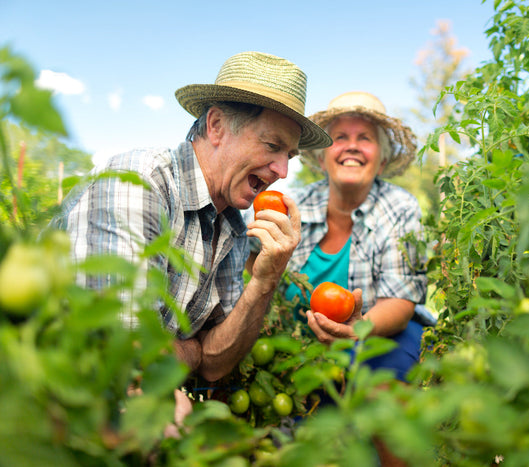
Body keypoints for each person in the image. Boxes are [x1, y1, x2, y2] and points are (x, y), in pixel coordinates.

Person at [52, 51, 332, 387]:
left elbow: (217, 364)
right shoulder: (138, 184)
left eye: (288, 155)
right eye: (272, 145)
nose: (283, 171)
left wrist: (265, 280)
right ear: (216, 126)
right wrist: (192, 352)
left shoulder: (232, 226)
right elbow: (119, 354)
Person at [273, 91, 433, 382]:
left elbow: (400, 302)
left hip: (377, 336)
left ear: (381, 162)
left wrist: (357, 329)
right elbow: (249, 256)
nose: (352, 147)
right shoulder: (292, 205)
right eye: (340, 137)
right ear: (322, 159)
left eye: (365, 138)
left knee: (378, 395)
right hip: (299, 344)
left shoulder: (400, 207)